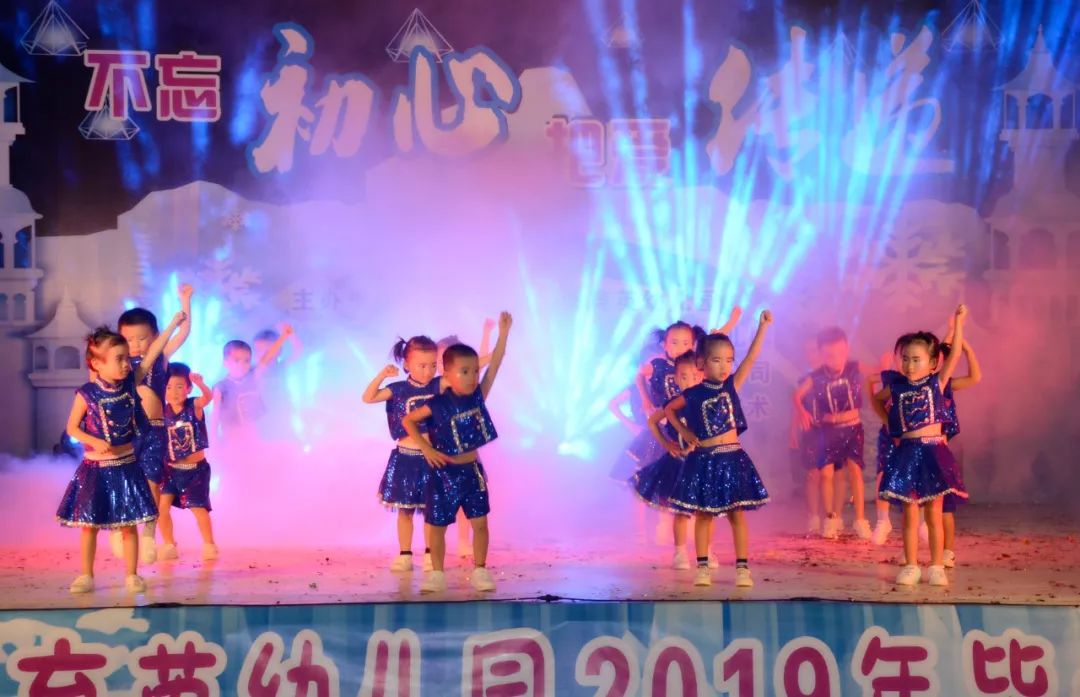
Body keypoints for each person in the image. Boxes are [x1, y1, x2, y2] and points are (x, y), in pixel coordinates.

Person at [58, 313, 186, 594]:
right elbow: (72, 428)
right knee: (89, 525)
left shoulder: (130, 383)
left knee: (129, 525)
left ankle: (131, 573)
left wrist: (173, 324)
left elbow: (152, 354)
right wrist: (93, 440)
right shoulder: (87, 393)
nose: (127, 364)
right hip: (96, 466)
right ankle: (86, 575)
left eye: (127, 358)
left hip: (126, 463)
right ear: (96, 364)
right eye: (119, 359)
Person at [404, 312, 512, 594]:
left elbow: (496, 362)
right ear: (448, 374)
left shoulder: (478, 395)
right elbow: (409, 421)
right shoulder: (438, 403)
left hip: (471, 472)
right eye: (465, 372)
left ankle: (480, 569)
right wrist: (426, 448)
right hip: (443, 474)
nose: (473, 377)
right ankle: (437, 574)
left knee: (480, 524)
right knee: (437, 527)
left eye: (475, 371)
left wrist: (503, 333)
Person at [667, 310, 773, 588]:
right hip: (704, 460)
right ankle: (702, 566)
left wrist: (761, 327)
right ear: (701, 363)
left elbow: (750, 358)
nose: (724, 366)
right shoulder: (693, 393)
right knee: (704, 514)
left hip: (732, 458)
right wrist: (686, 432)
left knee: (737, 514)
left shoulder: (730, 385)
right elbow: (668, 411)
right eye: (717, 360)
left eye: (728, 360)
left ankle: (742, 568)